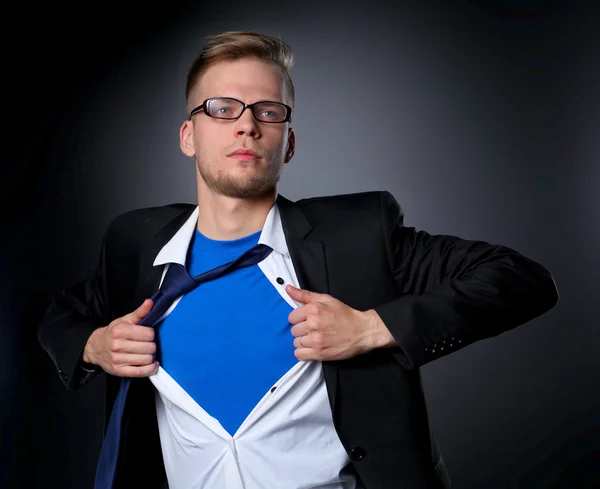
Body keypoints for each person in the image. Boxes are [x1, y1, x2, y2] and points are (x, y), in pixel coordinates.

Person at [38, 31, 559, 489]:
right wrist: (94, 344)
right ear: (188, 136)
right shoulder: (135, 241)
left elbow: (521, 279)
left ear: (288, 143)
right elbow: (61, 316)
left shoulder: (360, 235)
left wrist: (373, 328)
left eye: (268, 111)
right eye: (222, 108)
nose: (247, 126)